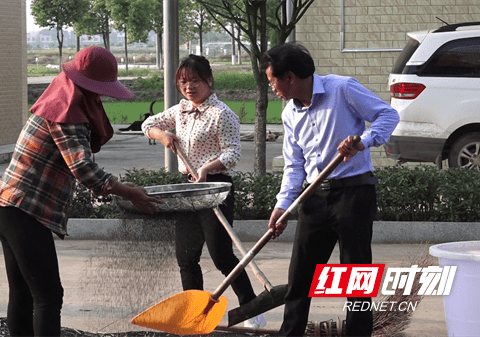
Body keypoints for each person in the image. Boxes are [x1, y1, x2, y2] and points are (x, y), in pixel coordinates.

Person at [0, 46, 161, 337]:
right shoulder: (67, 111)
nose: (100, 97)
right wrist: (129, 192)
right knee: (48, 296)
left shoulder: (57, 100)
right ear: (87, 87)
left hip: (6, 209)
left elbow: (72, 167)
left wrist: (103, 190)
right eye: (99, 91)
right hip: (23, 213)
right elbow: (83, 168)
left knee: (24, 294)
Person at [261, 43, 399, 336]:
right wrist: (283, 205)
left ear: (289, 77)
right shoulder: (290, 114)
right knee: (300, 277)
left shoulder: (342, 89)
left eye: (272, 81)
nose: (272, 87)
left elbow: (388, 115)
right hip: (313, 198)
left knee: (355, 277)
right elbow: (294, 165)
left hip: (352, 193)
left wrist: (363, 140)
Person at [142, 54, 266, 329]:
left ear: (208, 80)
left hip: (216, 188)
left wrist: (207, 169)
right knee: (186, 257)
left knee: (221, 255)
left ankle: (252, 309)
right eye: (184, 82)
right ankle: (194, 313)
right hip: (188, 189)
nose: (189, 87)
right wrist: (163, 135)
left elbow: (233, 153)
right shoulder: (180, 110)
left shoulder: (223, 114)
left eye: (195, 81)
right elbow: (147, 125)